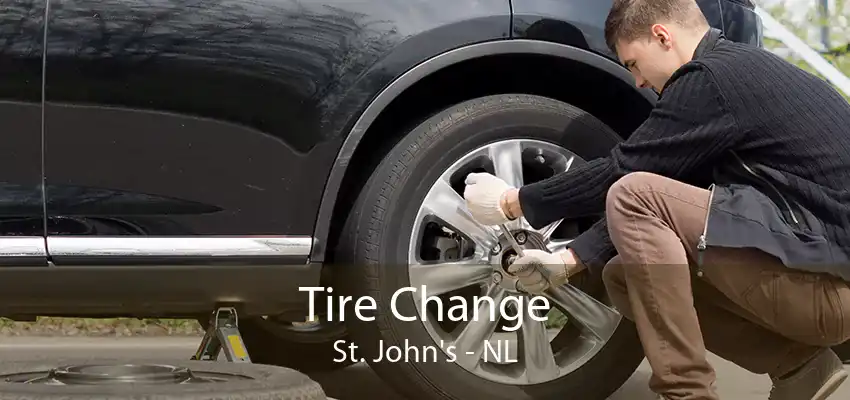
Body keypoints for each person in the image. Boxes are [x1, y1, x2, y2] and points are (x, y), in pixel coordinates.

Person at [462, 0, 850, 399]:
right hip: (821, 281)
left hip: (827, 291)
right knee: (624, 275)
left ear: (662, 36)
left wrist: (514, 201)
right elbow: (670, 181)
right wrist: (568, 260)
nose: (639, 82)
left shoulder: (710, 81)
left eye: (632, 64)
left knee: (633, 194)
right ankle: (802, 365)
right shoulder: (737, 74)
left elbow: (625, 173)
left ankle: (686, 392)